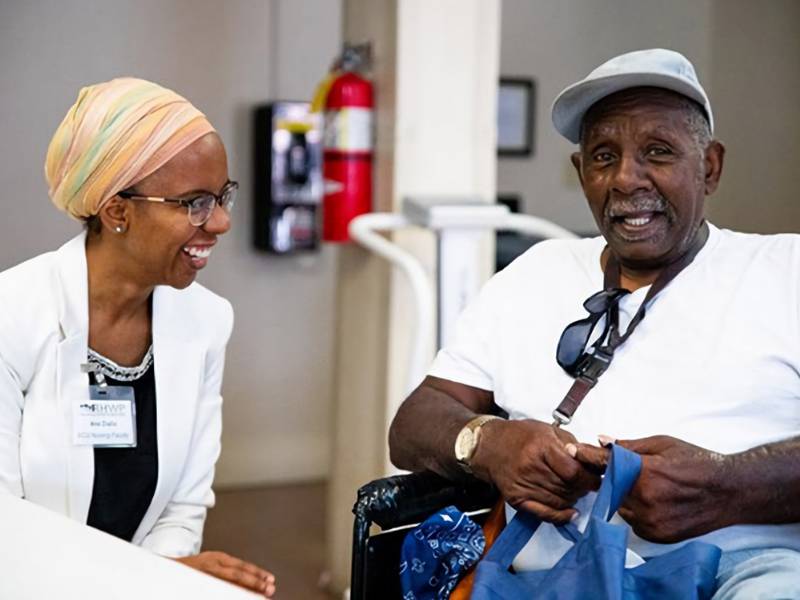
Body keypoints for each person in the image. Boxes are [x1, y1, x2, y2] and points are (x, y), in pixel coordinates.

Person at [389, 49, 800, 598]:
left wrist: (727, 485)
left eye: (658, 152)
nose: (627, 179)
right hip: (552, 571)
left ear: (710, 167)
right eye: (604, 156)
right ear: (583, 173)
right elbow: (414, 422)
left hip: (743, 570)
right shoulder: (534, 273)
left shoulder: (784, 272)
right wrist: (489, 443)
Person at [0, 78, 275, 597]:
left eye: (221, 197)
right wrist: (142, 582)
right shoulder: (11, 316)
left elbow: (182, 509)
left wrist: (159, 579)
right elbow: (5, 533)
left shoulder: (206, 322)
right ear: (117, 211)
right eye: (193, 202)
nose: (219, 222)